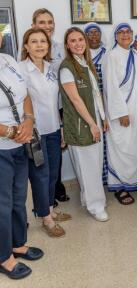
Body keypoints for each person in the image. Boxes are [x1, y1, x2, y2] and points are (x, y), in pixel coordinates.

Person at [19, 28, 71, 238]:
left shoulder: (51, 68)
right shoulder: (21, 70)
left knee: (52, 174)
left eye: (43, 41)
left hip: (53, 128)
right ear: (26, 46)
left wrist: (61, 127)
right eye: (34, 41)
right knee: (40, 175)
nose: (39, 45)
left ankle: (49, 208)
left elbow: (56, 101)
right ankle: (45, 218)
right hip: (35, 133)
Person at [0, 53, 43, 280]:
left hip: (20, 142)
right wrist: (9, 131)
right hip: (2, 146)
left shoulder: (8, 60)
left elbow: (24, 95)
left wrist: (28, 120)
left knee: (18, 197)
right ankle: (3, 257)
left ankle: (17, 244)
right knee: (2, 204)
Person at [59, 27, 109, 222]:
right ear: (67, 45)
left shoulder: (86, 63)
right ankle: (95, 206)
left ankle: (89, 200)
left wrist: (103, 118)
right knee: (87, 168)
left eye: (80, 39)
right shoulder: (67, 68)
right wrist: (93, 124)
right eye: (73, 41)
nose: (78, 43)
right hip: (82, 123)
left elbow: (96, 94)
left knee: (94, 165)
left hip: (94, 119)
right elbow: (75, 99)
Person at [103, 23, 137, 204]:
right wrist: (121, 113)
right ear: (116, 36)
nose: (125, 35)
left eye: (128, 32)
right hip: (123, 112)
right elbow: (111, 87)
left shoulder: (136, 55)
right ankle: (120, 186)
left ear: (132, 34)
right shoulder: (111, 56)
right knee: (123, 148)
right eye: (121, 32)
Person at [30, 8, 69, 204]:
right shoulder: (29, 50)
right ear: (33, 25)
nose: (47, 26)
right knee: (41, 155)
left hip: (59, 104)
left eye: (50, 22)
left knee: (56, 151)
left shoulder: (61, 47)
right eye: (42, 22)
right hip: (38, 109)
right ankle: (45, 199)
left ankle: (56, 187)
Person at [84, 23, 108, 185]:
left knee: (108, 142)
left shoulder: (107, 53)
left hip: (106, 101)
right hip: (88, 103)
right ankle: (95, 181)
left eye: (96, 32)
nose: (94, 36)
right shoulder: (82, 55)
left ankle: (108, 178)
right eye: (90, 33)